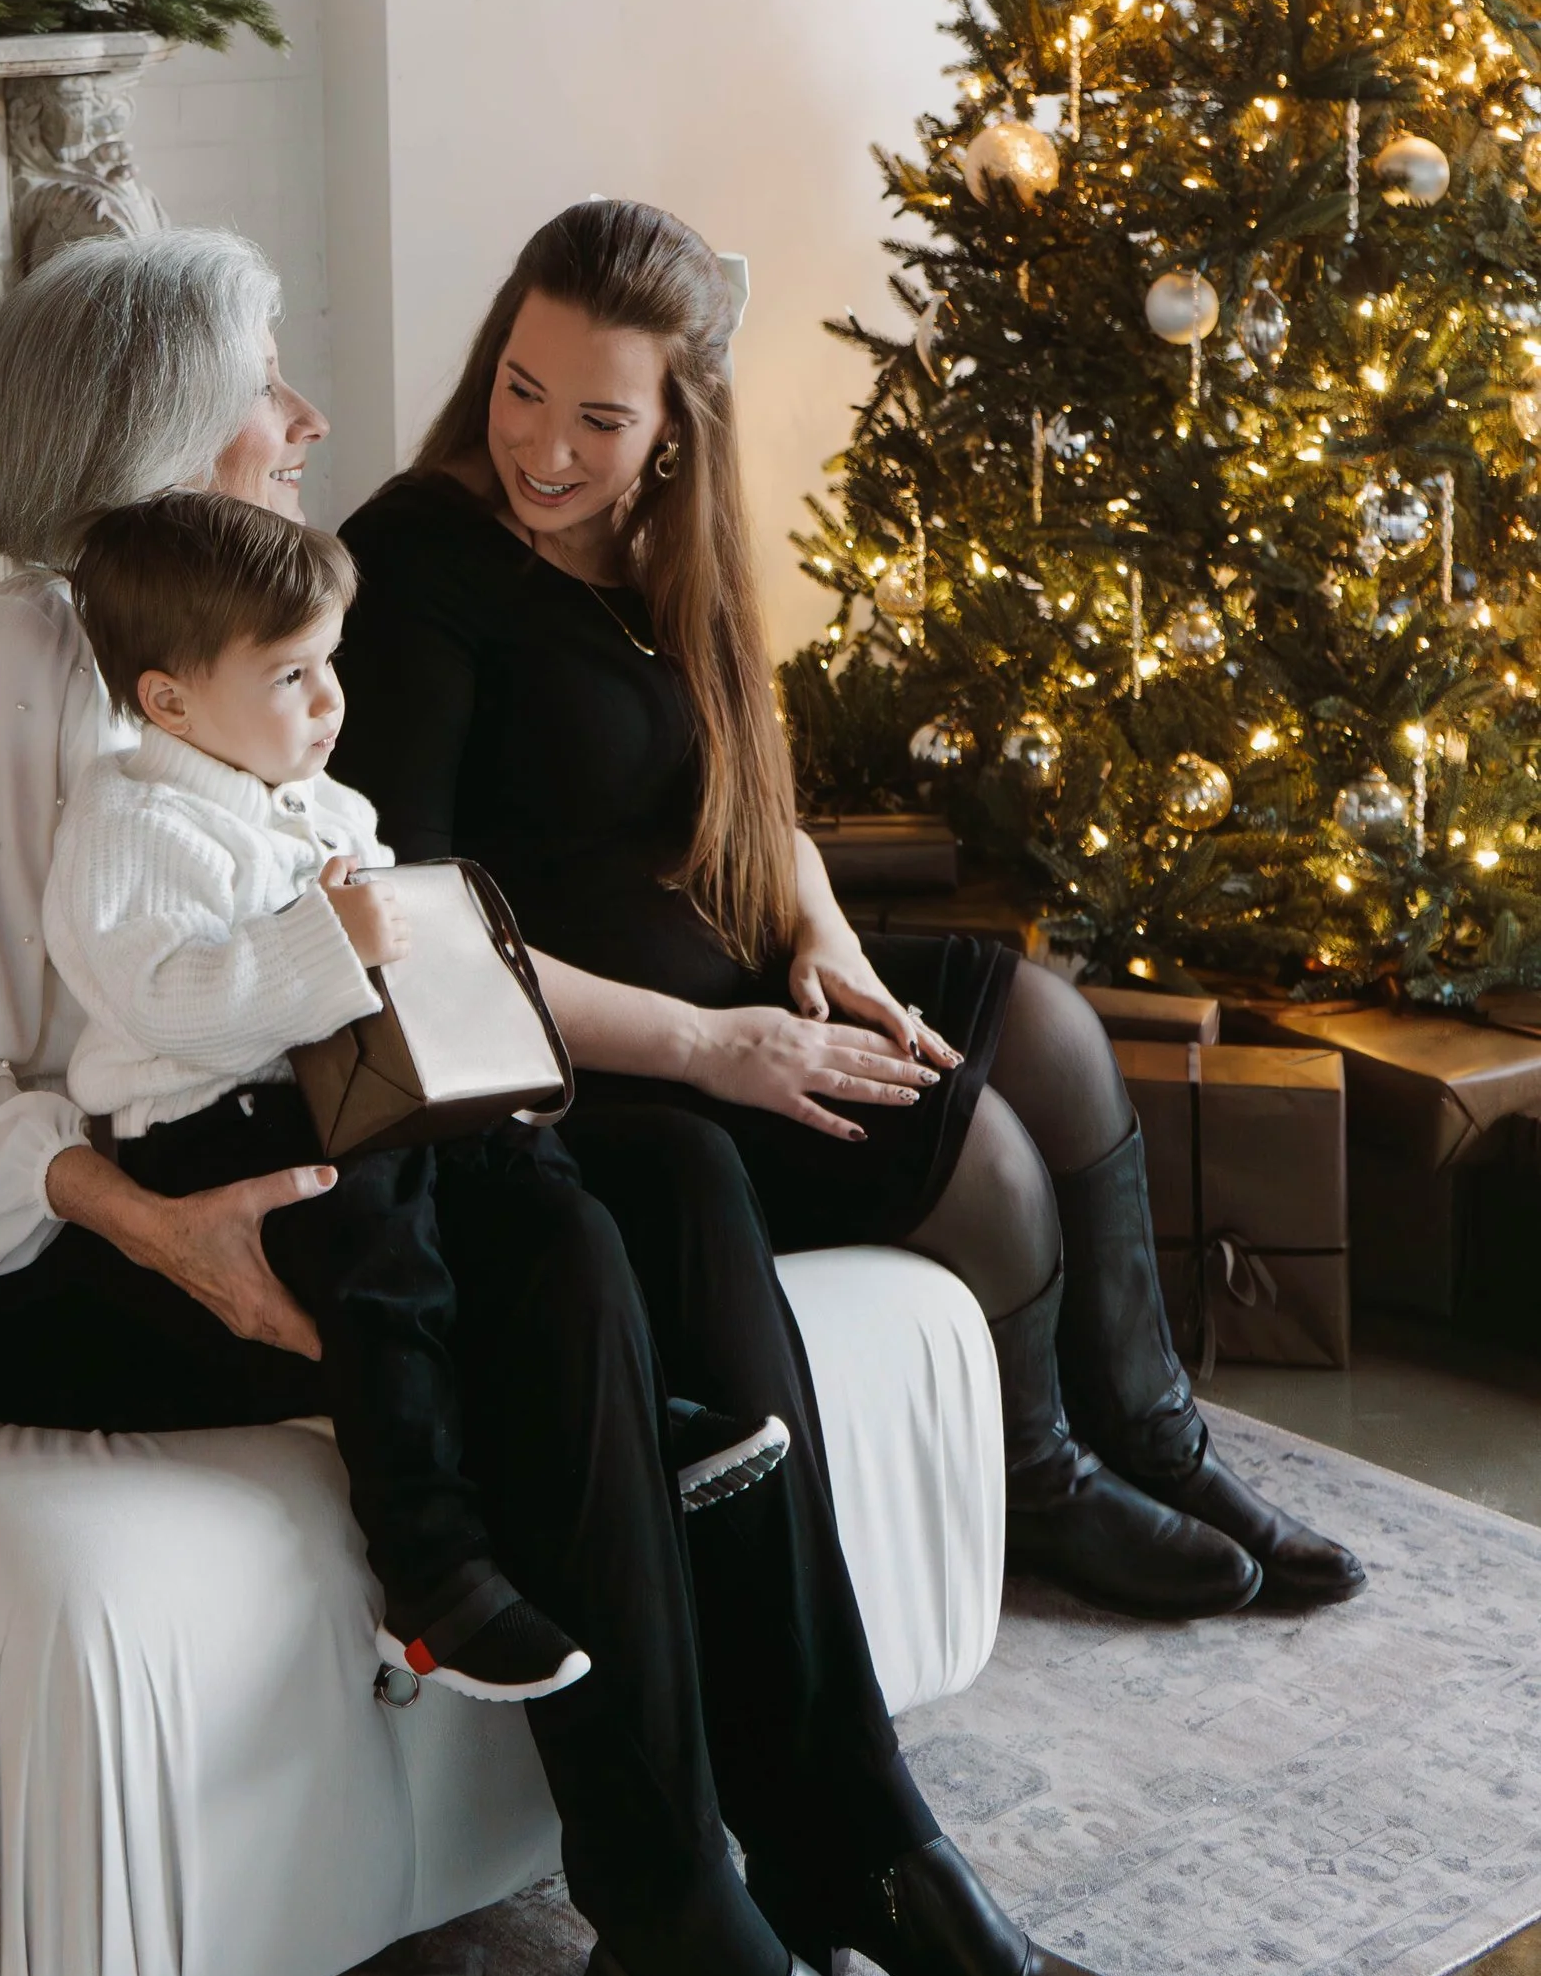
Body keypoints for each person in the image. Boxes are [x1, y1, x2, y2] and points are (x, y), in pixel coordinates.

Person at [0, 226, 1125, 1976]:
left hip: (258, 1131)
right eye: (262, 391)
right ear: (150, 440)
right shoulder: (5, 671)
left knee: (677, 1174)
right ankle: (675, 1925)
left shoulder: (240, 645)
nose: (308, 418)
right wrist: (163, 1229)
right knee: (553, 1271)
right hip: (36, 1250)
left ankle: (856, 1834)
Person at [331, 196, 1366, 1727]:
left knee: (1053, 1031)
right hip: (607, 1068)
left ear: (676, 429)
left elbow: (752, 807)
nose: (544, 446)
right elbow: (417, 931)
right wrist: (716, 1045)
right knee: (982, 1151)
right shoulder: (417, 560)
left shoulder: (666, 550)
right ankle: (1044, 1482)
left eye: (600, 419)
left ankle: (1161, 1437)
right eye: (520, 388)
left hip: (737, 983)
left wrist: (820, 933)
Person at [55, 487, 592, 1699]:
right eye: (291, 676)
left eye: (330, 664)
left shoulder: (326, 805)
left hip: (335, 1090)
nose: (331, 700)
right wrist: (328, 938)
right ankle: (431, 1576)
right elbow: (169, 1000)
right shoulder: (131, 823)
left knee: (515, 1160)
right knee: (378, 1251)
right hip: (206, 1124)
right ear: (169, 702)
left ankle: (625, 1404)